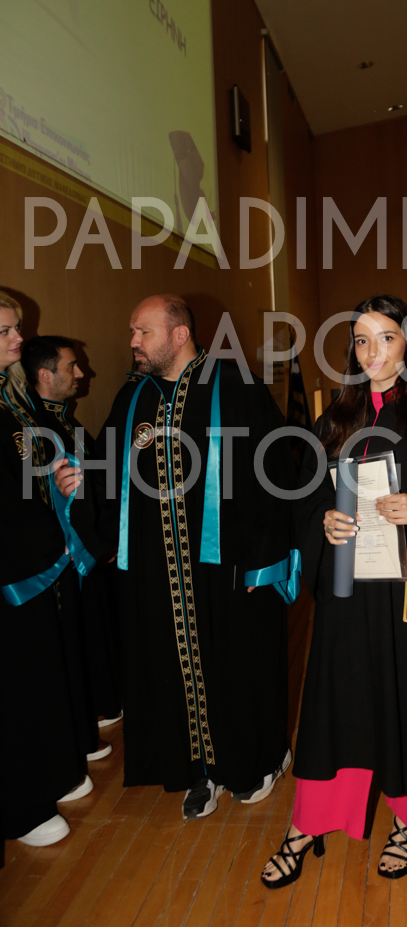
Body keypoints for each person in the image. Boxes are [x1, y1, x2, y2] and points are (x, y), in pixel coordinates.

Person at [261, 293, 407, 889]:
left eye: (386, 338)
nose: (373, 352)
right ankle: (309, 822)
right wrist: (323, 521)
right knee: (338, 703)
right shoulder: (335, 420)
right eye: (362, 341)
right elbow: (308, 498)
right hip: (351, 594)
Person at [55, 295, 298, 821]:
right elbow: (108, 475)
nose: (133, 342)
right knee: (175, 671)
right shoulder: (132, 398)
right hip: (159, 574)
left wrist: (266, 560)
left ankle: (260, 759)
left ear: (180, 334)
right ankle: (200, 769)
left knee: (238, 666)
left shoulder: (237, 388)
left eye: (143, 331)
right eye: (133, 332)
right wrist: (79, 486)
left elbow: (278, 475)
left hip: (229, 569)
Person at [0, 294, 97, 848]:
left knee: (40, 668)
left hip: (36, 557)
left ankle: (50, 773)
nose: (20, 339)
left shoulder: (14, 399)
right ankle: (22, 805)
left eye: (16, 329)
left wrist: (59, 485)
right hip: (15, 565)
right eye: (7, 332)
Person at [22, 335, 122, 728]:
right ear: (45, 375)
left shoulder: (64, 420)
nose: (82, 373)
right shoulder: (38, 428)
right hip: (70, 556)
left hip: (93, 548)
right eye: (71, 366)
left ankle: (102, 703)